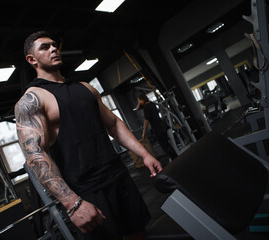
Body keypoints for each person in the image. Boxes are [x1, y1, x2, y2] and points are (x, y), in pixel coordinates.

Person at [15, 31, 163, 240]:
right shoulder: (31, 101)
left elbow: (113, 125)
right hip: (86, 192)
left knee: (138, 234)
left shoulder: (85, 88)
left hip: (118, 177)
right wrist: (72, 204)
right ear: (31, 59)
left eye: (54, 45)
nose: (53, 49)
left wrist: (145, 154)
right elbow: (36, 155)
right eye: (45, 47)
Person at [135, 94, 177, 160]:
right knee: (166, 143)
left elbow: (146, 121)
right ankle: (175, 157)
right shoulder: (152, 104)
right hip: (162, 126)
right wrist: (139, 103)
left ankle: (174, 158)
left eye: (139, 100)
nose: (139, 102)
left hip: (157, 128)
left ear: (142, 100)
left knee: (164, 145)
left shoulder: (146, 107)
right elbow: (138, 108)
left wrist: (143, 133)